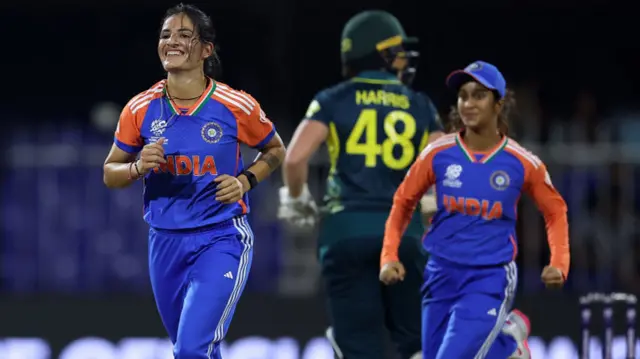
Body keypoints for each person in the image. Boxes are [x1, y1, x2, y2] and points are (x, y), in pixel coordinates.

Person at [102, 4, 285, 358]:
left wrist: (246, 180)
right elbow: (111, 172)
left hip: (221, 236)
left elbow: (275, 149)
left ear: (206, 50)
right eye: (166, 35)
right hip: (165, 242)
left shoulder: (235, 105)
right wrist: (138, 167)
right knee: (194, 351)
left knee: (190, 350)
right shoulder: (139, 108)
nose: (171, 42)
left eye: (184, 35)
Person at [278, 10, 444, 359]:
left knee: (358, 350)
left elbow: (294, 159)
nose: (402, 59)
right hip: (405, 234)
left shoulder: (333, 98)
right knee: (419, 346)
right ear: (379, 52)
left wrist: (297, 200)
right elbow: (443, 169)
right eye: (396, 50)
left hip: (347, 229)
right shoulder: (420, 105)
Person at [380, 61, 570, 359]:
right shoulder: (438, 153)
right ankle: (507, 345)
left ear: (499, 105)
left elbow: (555, 210)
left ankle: (505, 340)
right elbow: (403, 202)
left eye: (479, 95)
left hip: (489, 276)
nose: (468, 103)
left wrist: (559, 262)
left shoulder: (521, 162)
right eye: (463, 95)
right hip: (440, 273)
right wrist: (388, 256)